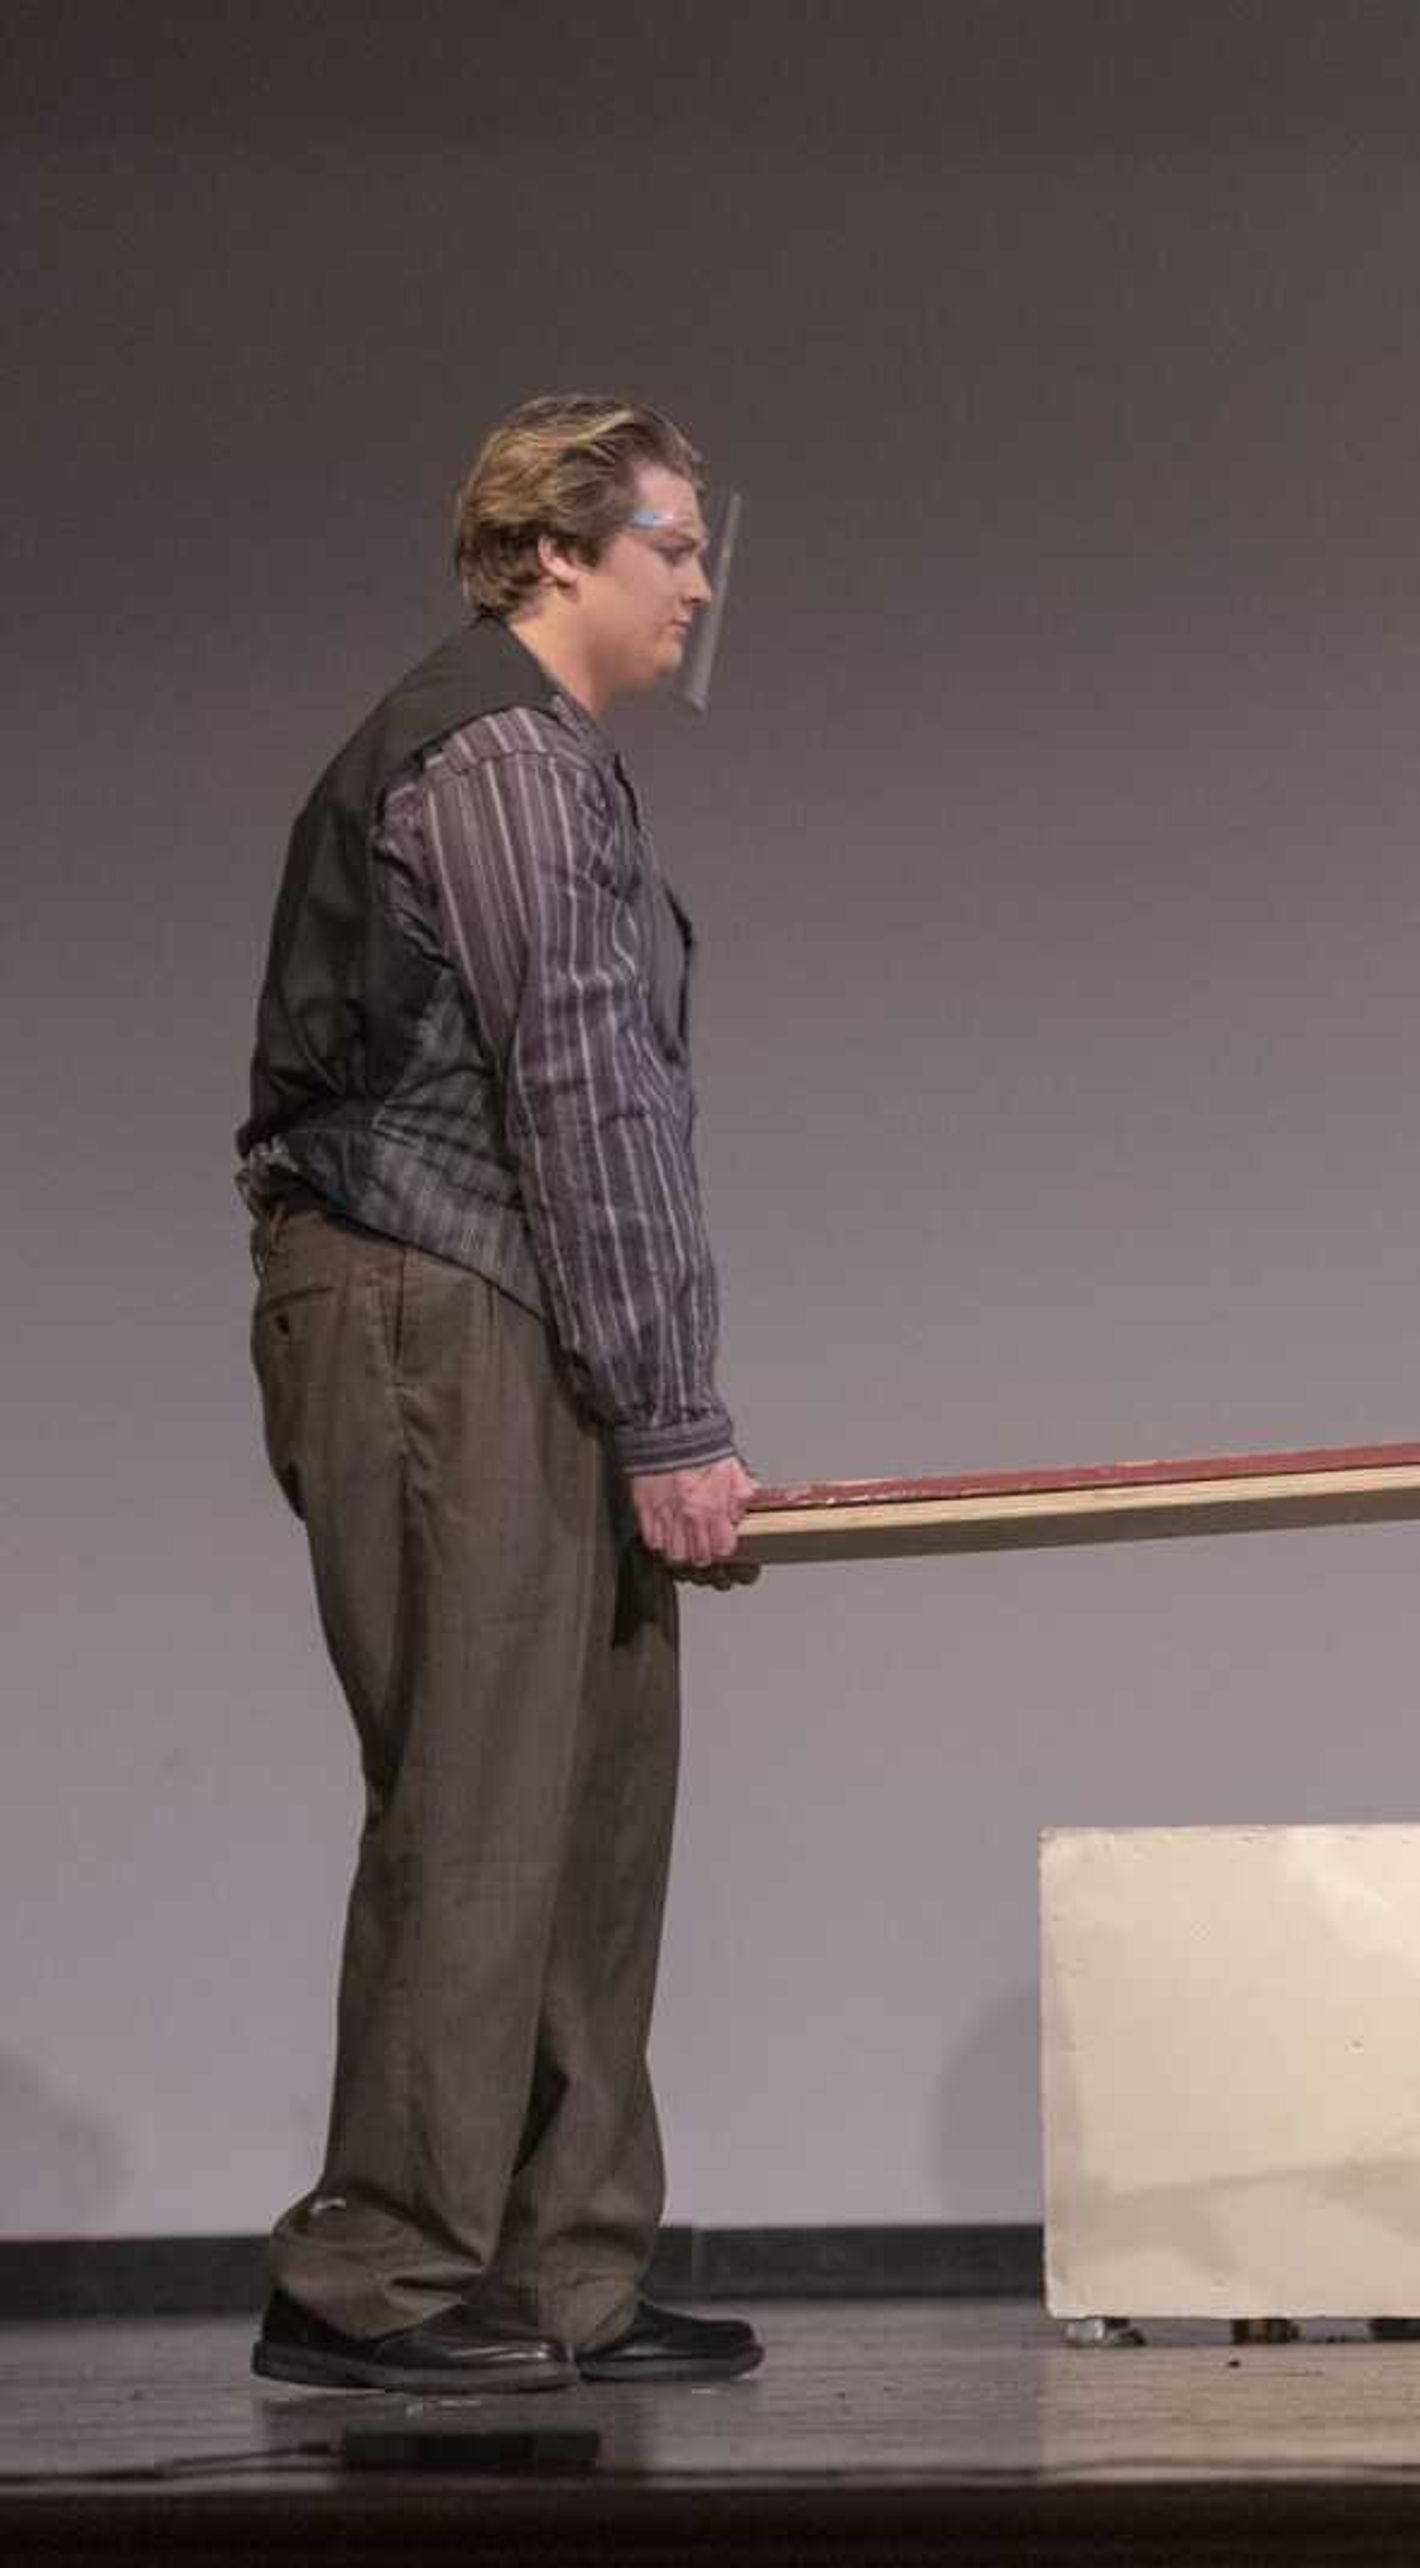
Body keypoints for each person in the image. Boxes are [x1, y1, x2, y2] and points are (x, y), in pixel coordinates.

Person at [235, 397, 766, 2392]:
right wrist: (678, 1412)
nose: (702, 582)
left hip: (510, 1316)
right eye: (676, 544)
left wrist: (638, 1399)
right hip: (430, 1307)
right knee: (477, 1794)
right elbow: (582, 1097)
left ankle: (558, 2269)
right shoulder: (497, 759)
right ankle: (377, 2275)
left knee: (592, 1797)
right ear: (561, 549)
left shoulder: (553, 763)